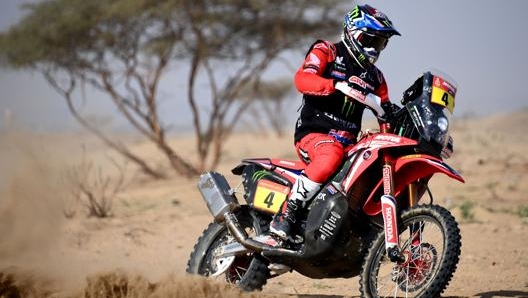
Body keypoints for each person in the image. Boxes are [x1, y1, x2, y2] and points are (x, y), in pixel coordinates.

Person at [270, 4, 400, 240]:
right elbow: (302, 79)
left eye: (380, 43)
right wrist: (334, 86)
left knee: (373, 167)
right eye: (370, 40)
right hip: (315, 135)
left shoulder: (376, 77)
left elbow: (385, 113)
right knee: (331, 156)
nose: (374, 48)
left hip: (349, 143)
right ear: (353, 33)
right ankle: (286, 213)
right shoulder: (326, 51)